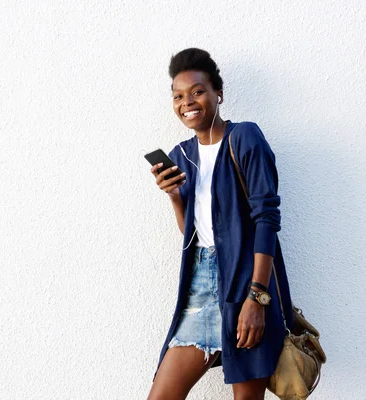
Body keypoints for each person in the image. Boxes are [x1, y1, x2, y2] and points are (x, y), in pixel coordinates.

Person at [146, 48, 293, 400]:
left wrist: (257, 298)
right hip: (199, 288)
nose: (187, 102)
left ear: (218, 94)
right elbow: (191, 234)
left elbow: (267, 220)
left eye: (197, 91)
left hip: (245, 285)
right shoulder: (183, 154)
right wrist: (174, 197)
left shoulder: (244, 138)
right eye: (178, 96)